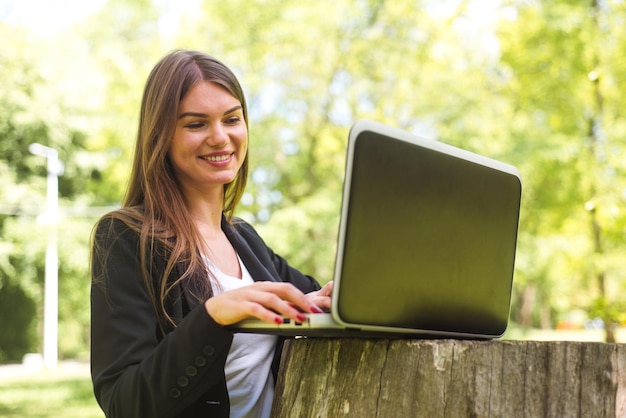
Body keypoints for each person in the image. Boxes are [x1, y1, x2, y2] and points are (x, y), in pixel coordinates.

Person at [90, 49, 333, 418]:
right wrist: (213, 318)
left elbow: (313, 297)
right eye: (196, 124)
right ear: (161, 136)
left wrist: (337, 298)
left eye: (232, 119)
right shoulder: (125, 237)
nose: (220, 137)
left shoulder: (245, 240)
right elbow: (123, 402)